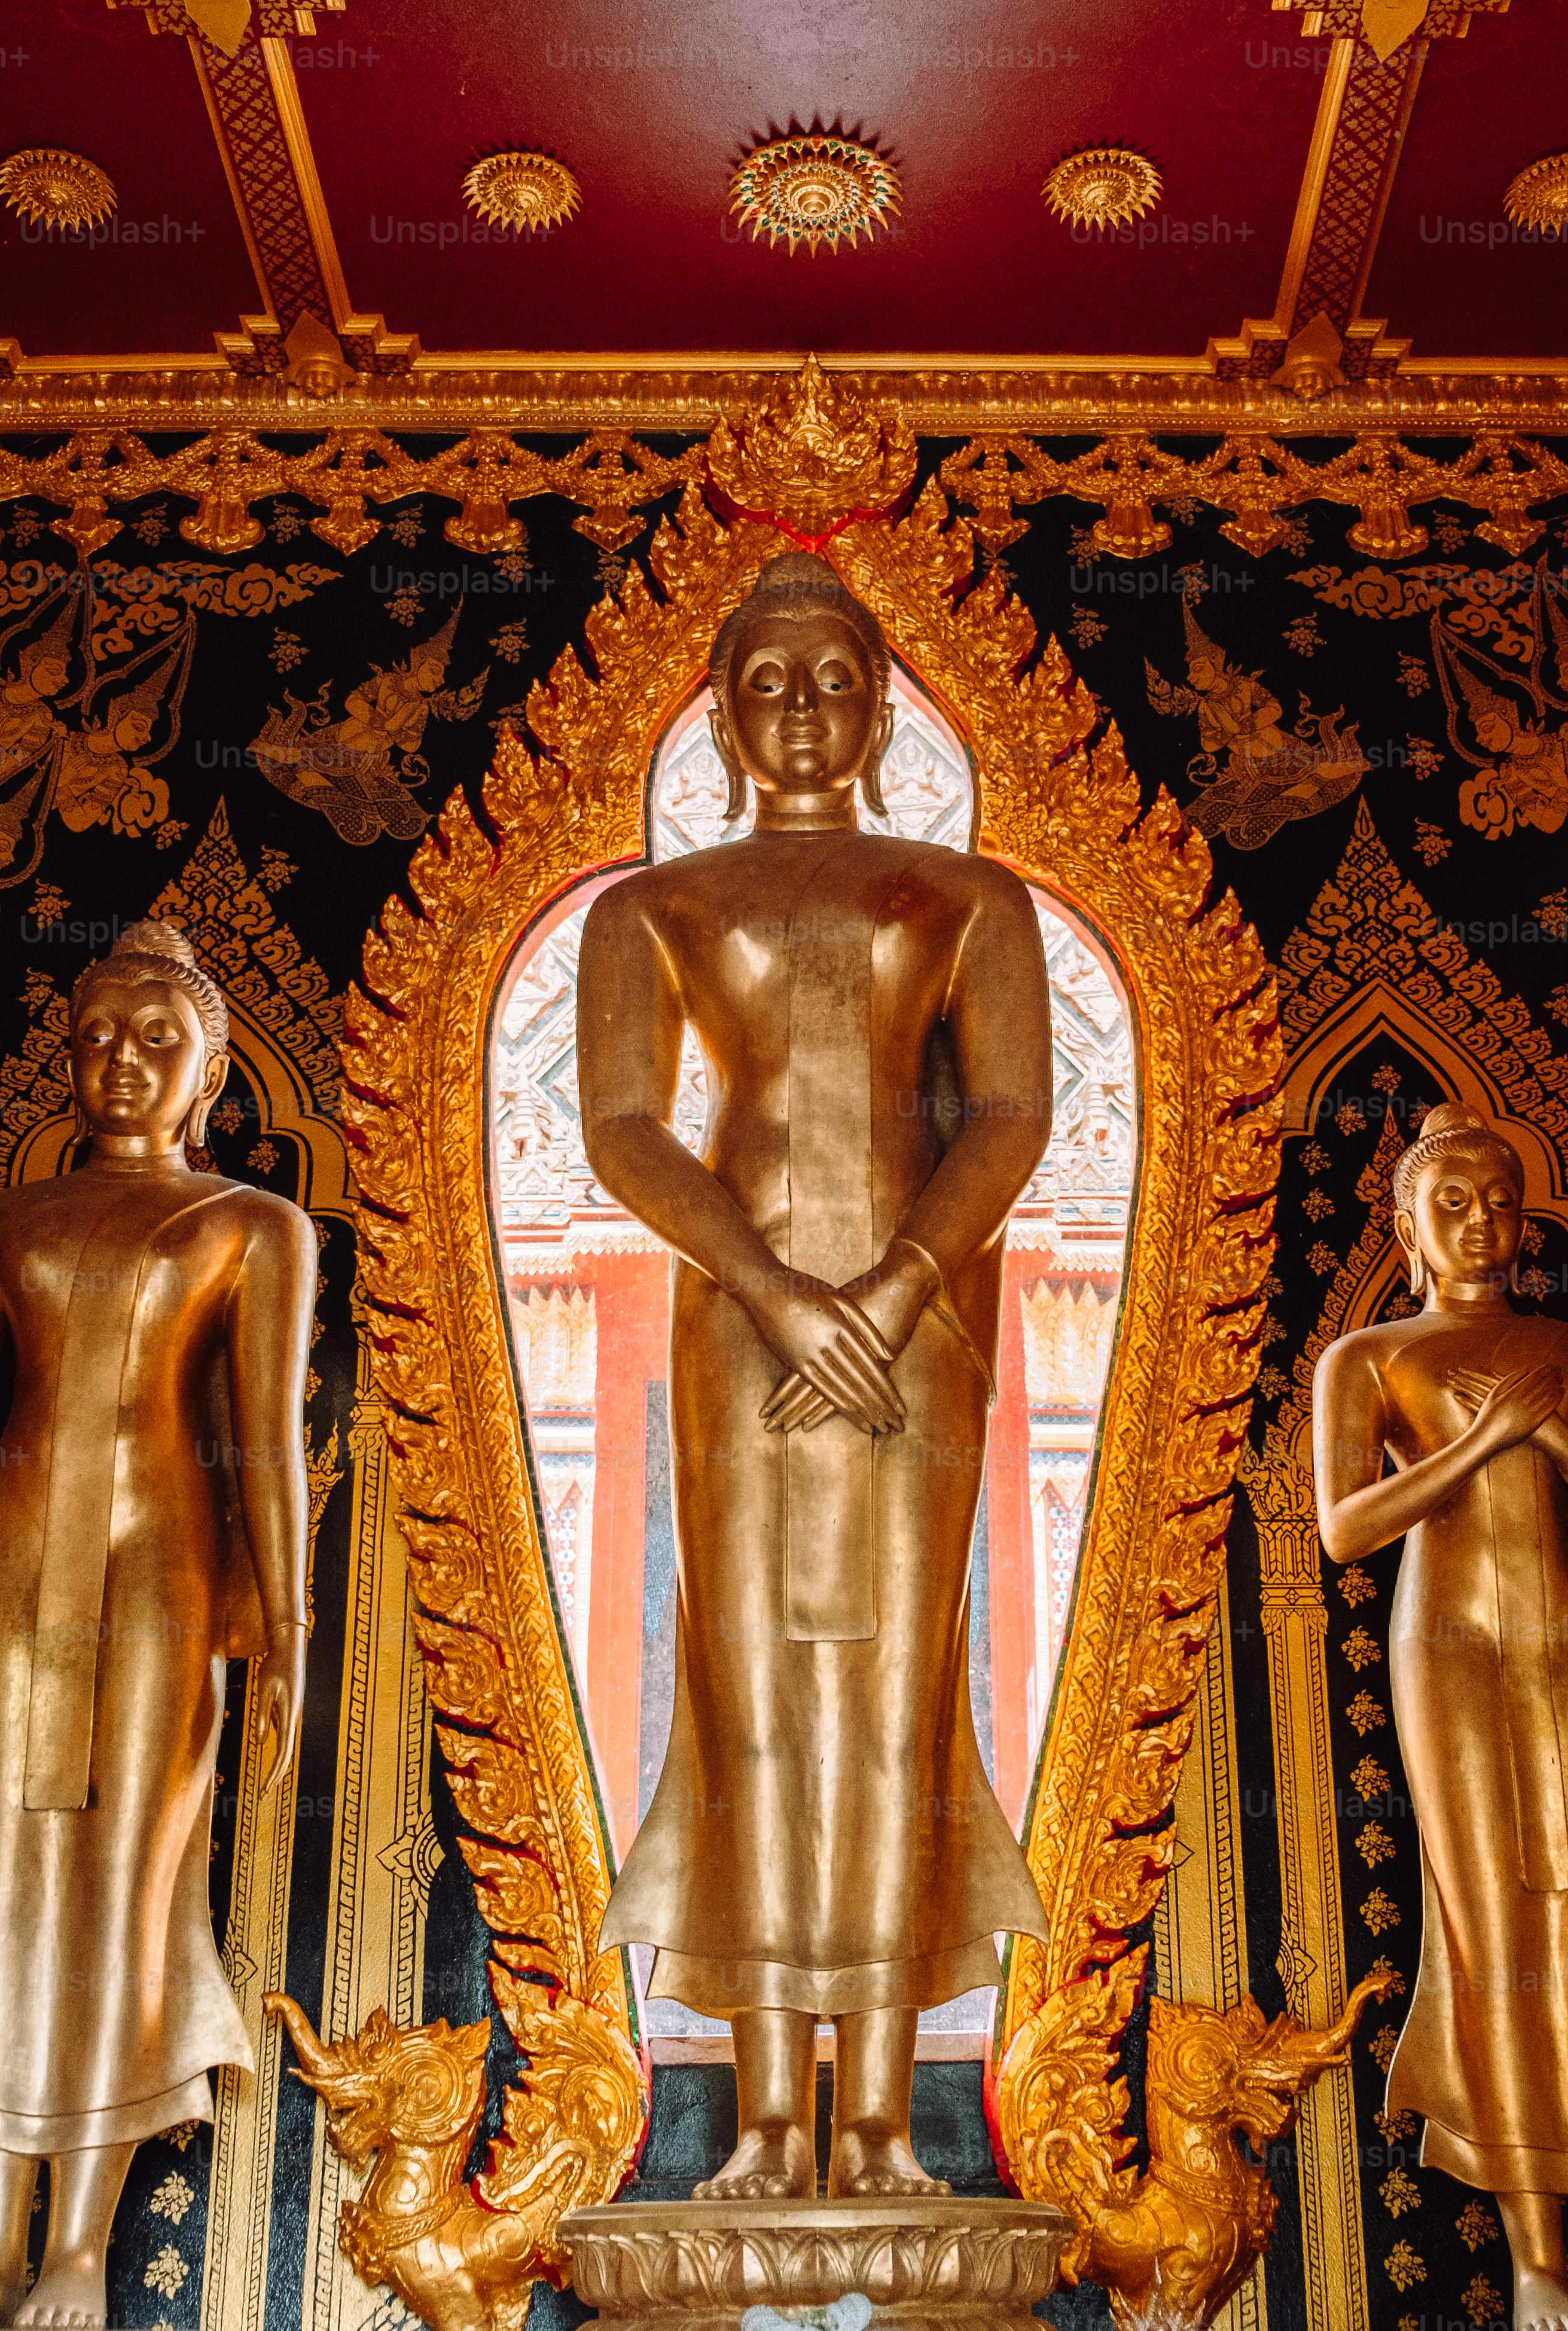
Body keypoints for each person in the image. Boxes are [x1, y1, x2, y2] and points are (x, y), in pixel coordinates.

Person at [578, 552, 1051, 2199]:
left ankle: (876, 2124)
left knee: (892, 1699)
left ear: (881, 699)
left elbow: (1005, 1115)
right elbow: (623, 1129)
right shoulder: (653, 906)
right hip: (742, 1316)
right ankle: (769, 2118)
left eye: (830, 674)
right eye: (762, 679)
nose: (797, 706)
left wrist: (901, 1281)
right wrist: (777, 1289)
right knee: (755, 1699)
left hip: (914, 1329)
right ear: (717, 713)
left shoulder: (964, 893)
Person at [0, 919, 319, 2324]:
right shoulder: (10, 1221)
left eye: (157, 1039)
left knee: (127, 1882)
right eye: (98, 1038)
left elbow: (266, 1440)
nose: (122, 1063)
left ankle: (76, 2244)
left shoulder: (252, 1224)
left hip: (164, 1568)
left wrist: (288, 1626)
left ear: (214, 1069)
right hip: (6, 1569)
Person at [1310, 1102, 1568, 2331]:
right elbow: (1344, 1528)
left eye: (1499, 1202)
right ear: (1407, 1229)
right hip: (1447, 1655)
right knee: (1492, 1925)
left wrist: (1548, 1431)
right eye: (1452, 1205)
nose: (1481, 1223)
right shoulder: (1372, 1358)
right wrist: (1479, 1438)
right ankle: (1538, 2258)